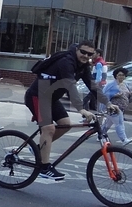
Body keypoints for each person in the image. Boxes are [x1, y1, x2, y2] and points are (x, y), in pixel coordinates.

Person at [24, 40, 113, 180]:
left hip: (51, 98)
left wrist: (108, 103)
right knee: (49, 129)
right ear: (77, 50)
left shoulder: (83, 66)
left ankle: (38, 146)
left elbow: (92, 85)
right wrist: (81, 109)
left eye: (89, 54)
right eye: (83, 52)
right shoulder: (66, 62)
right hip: (38, 95)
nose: (85, 56)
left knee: (66, 124)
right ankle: (44, 168)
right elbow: (70, 86)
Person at [102, 66, 132, 146]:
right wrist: (114, 95)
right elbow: (104, 94)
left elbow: (125, 92)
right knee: (119, 123)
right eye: (119, 75)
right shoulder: (112, 85)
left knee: (108, 123)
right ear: (115, 75)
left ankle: (101, 134)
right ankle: (124, 139)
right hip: (113, 107)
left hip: (120, 107)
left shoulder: (123, 84)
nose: (121, 77)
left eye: (123, 75)